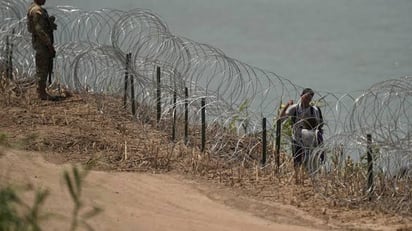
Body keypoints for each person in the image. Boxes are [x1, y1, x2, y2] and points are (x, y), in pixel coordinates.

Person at [279, 88, 324, 184]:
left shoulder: (314, 110)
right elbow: (281, 118)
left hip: (310, 138)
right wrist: (287, 105)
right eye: (306, 97)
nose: (307, 100)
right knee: (297, 160)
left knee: (311, 161)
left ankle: (312, 180)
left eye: (309, 98)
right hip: (297, 137)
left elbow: (319, 125)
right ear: (301, 96)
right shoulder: (294, 108)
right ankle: (297, 179)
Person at [27, 0, 59, 100]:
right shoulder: (37, 11)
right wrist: (49, 44)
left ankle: (41, 91)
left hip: (42, 43)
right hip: (42, 44)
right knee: (42, 68)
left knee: (44, 66)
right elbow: (39, 30)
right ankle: (41, 93)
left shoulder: (38, 9)